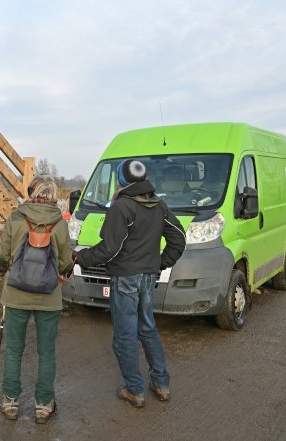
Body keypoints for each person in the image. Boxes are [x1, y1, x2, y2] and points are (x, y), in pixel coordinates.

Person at [76, 159, 186, 408]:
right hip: (147, 277)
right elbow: (179, 239)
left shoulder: (122, 206)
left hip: (125, 277)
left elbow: (109, 250)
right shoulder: (158, 205)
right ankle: (161, 384)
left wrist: (80, 257)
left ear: (122, 181)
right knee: (147, 328)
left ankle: (134, 390)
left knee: (125, 336)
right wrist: (158, 263)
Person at [0, 175, 73, 424]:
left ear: (31, 193)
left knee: (14, 350)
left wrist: (4, 267)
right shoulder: (60, 224)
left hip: (16, 294)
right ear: (53, 196)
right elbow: (64, 263)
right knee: (46, 352)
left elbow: (2, 256)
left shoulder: (16, 218)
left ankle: (10, 402)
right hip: (48, 297)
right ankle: (43, 405)